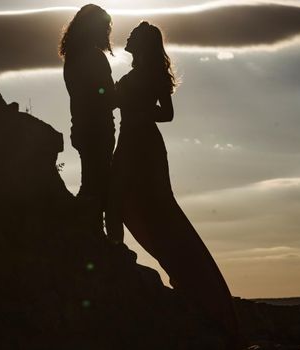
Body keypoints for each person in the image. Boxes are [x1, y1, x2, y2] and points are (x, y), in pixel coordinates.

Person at [106, 22, 242, 349]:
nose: (125, 39)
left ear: (143, 44)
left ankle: (187, 280)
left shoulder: (152, 73)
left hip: (144, 146)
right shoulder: (137, 72)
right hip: (128, 143)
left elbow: (166, 114)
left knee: (153, 209)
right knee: (118, 202)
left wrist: (138, 111)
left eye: (132, 37)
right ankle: (116, 257)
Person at [59, 4, 116, 234]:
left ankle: (90, 232)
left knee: (93, 181)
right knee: (97, 184)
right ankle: (86, 233)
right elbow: (106, 94)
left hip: (82, 127)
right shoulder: (93, 57)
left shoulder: (72, 57)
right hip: (98, 128)